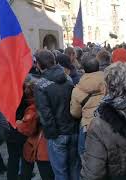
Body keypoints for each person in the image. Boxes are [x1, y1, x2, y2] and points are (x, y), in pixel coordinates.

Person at [34, 50, 79, 180]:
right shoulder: (68, 78)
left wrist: (53, 135)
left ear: (40, 64)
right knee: (74, 169)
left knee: (60, 173)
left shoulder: (40, 85)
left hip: (58, 135)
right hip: (72, 131)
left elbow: (45, 114)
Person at [17, 75, 54, 180]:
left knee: (31, 170)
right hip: (49, 141)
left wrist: (18, 123)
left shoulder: (33, 108)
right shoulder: (48, 99)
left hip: (39, 145)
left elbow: (27, 129)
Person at [70, 55, 105, 157]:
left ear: (84, 69)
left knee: (85, 155)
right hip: (108, 122)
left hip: (88, 126)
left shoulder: (77, 89)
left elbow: (75, 113)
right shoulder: (109, 82)